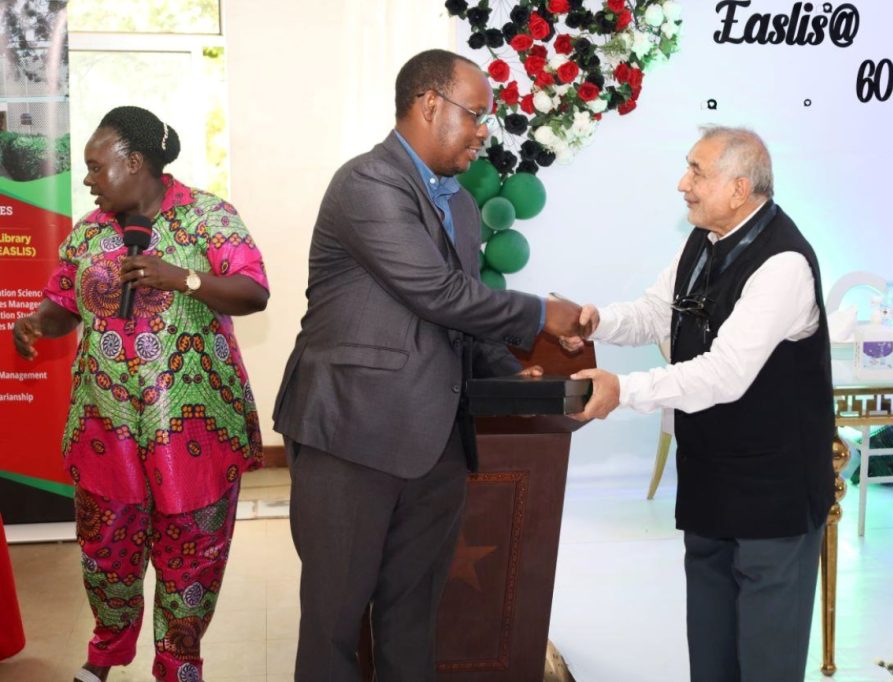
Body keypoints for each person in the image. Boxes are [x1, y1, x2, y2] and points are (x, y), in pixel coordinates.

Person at [273, 49, 581, 682]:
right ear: (429, 104)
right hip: (349, 436)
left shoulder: (462, 207)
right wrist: (540, 315)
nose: (483, 132)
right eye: (476, 115)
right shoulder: (366, 183)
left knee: (414, 619)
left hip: (435, 439)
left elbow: (459, 316)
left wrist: (508, 370)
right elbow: (433, 291)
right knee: (334, 622)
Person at [564, 126, 835, 682]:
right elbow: (657, 311)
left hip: (773, 497)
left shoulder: (784, 263)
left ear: (739, 189)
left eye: (696, 173)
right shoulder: (702, 241)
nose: (681, 184)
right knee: (711, 659)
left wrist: (625, 390)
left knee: (766, 663)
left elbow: (725, 375)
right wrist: (597, 321)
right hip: (711, 483)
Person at [12, 106, 269, 682]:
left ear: (134, 163)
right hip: (106, 429)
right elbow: (63, 305)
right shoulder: (88, 232)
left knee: (190, 560)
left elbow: (253, 292)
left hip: (193, 431)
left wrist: (181, 278)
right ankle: (105, 652)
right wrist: (36, 323)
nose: (88, 180)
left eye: (96, 168)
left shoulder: (210, 217)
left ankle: (179, 664)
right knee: (107, 554)